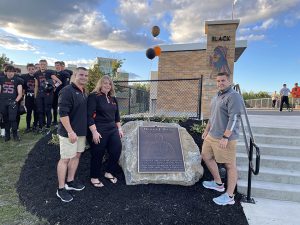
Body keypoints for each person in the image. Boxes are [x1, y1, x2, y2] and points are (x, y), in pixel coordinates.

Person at [201, 72, 243, 206]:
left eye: (223, 80)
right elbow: (212, 116)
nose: (220, 83)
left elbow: (234, 117)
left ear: (229, 81)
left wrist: (226, 136)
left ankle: (229, 196)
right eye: (218, 81)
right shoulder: (217, 96)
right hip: (212, 135)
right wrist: (206, 130)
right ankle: (218, 183)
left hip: (225, 138)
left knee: (230, 165)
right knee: (206, 156)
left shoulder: (234, 96)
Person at [56, 67, 89, 202]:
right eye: (81, 75)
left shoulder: (83, 92)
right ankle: (61, 188)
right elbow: (63, 113)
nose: (84, 77)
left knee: (76, 156)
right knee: (65, 159)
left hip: (81, 133)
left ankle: (70, 181)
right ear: (74, 75)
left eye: (86, 75)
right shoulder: (67, 91)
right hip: (68, 133)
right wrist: (70, 131)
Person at [87, 75, 123, 188]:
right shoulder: (94, 96)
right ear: (100, 84)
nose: (107, 85)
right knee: (98, 153)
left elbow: (117, 117)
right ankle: (94, 177)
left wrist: (120, 129)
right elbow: (89, 116)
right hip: (99, 129)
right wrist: (94, 132)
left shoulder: (113, 99)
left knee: (116, 150)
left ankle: (109, 172)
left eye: (109, 83)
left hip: (113, 129)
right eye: (105, 83)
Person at [34, 59, 61, 131]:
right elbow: (36, 85)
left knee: (47, 110)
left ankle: (48, 126)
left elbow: (59, 82)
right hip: (40, 93)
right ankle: (41, 125)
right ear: (39, 65)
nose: (42, 66)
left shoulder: (50, 72)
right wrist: (35, 96)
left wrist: (53, 87)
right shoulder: (36, 73)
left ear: (46, 65)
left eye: (44, 64)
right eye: (41, 64)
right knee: (40, 110)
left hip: (48, 94)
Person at [0, 65, 23, 141]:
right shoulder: (1, 79)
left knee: (13, 119)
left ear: (14, 72)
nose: (10, 73)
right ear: (6, 72)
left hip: (13, 101)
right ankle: (7, 135)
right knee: (5, 119)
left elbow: (20, 93)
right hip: (3, 101)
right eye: (9, 71)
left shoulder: (18, 80)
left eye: (12, 71)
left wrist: (15, 101)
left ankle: (15, 135)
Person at [21, 63, 38, 132]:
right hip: (28, 96)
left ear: (35, 69)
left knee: (36, 112)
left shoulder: (37, 76)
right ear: (27, 70)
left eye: (33, 69)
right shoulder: (24, 76)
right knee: (29, 112)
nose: (31, 70)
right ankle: (28, 127)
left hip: (36, 96)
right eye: (29, 69)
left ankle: (35, 126)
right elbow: (23, 88)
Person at [52, 61, 69, 126]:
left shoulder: (65, 73)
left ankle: (63, 121)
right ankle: (55, 120)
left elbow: (65, 84)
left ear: (61, 66)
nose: (57, 66)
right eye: (56, 65)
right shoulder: (54, 73)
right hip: (54, 93)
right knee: (54, 107)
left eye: (58, 65)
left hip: (62, 93)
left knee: (62, 108)